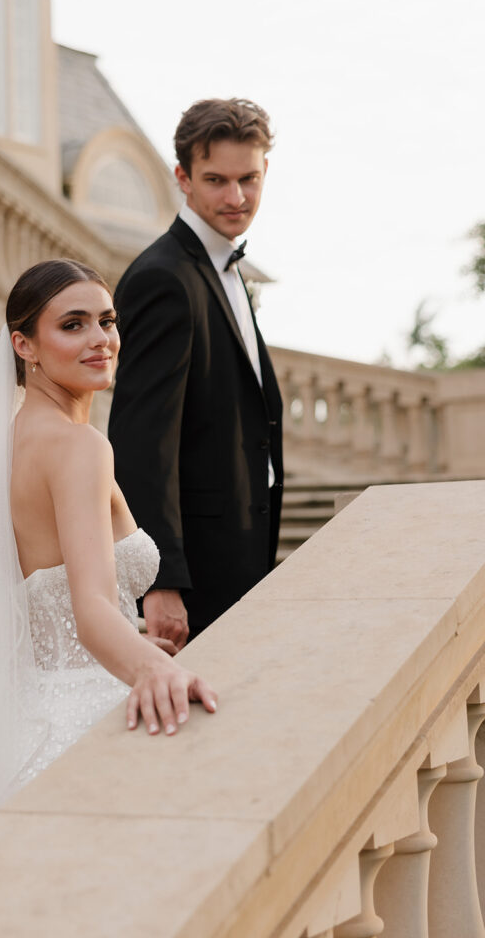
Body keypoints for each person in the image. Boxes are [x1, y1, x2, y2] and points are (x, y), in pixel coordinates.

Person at [0, 259, 217, 859]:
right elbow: (89, 609)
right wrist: (153, 670)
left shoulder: (15, 441)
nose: (100, 339)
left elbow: (52, 598)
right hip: (84, 719)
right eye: (74, 324)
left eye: (107, 321)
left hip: (34, 716)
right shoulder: (78, 445)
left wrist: (135, 643)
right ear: (24, 345)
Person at [109, 98, 284, 649]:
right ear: (182, 178)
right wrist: (159, 584)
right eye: (216, 180)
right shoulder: (162, 279)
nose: (236, 198)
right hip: (196, 574)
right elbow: (141, 446)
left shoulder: (227, 269)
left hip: (244, 552)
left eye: (248, 179)